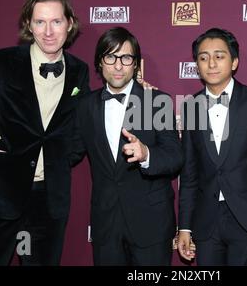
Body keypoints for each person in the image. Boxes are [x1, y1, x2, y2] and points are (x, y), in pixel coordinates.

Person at [0, 0, 90, 265]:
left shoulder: (79, 70)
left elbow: (80, 123)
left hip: (50, 199)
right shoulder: (2, 62)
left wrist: (63, 158)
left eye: (56, 21)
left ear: (70, 24)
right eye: (40, 22)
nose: (48, 31)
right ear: (29, 24)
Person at [177, 28, 247, 265]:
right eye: (203, 57)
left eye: (219, 56)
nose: (211, 64)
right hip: (206, 224)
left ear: (234, 62)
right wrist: (185, 227)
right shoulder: (191, 108)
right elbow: (189, 175)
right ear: (196, 65)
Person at [71, 27, 183, 266]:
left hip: (150, 223)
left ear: (136, 64)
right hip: (105, 225)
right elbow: (70, 152)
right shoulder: (85, 106)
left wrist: (147, 154)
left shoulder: (156, 101)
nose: (118, 65)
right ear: (100, 62)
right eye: (110, 57)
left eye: (126, 58)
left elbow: (175, 157)